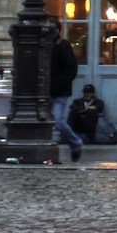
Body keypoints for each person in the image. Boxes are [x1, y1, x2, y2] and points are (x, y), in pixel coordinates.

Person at [51, 33, 85, 162]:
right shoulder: (44, 45)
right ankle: (49, 152)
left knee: (58, 121)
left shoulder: (63, 45)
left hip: (60, 91)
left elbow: (71, 68)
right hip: (45, 91)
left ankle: (76, 143)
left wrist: (61, 83)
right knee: (44, 122)